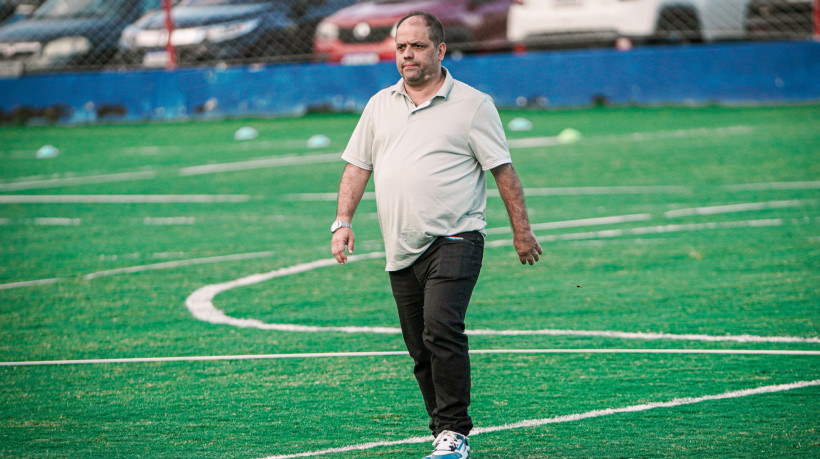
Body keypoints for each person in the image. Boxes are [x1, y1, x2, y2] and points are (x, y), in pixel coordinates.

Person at [330, 11, 542, 459]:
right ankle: (440, 430)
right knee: (420, 345)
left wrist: (521, 232)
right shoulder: (379, 104)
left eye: (418, 46)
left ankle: (455, 433)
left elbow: (502, 170)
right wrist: (342, 222)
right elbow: (357, 166)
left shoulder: (473, 104)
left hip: (457, 236)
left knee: (442, 328)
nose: (407, 54)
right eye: (401, 46)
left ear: (440, 50)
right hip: (400, 246)